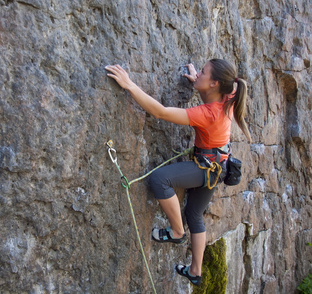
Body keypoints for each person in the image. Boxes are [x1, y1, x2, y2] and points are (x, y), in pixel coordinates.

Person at [105, 59, 251, 286]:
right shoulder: (229, 97)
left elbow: (161, 112)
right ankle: (195, 271)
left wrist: (130, 85)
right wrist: (199, 83)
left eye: (203, 72)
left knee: (159, 179)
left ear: (214, 83)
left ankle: (176, 232)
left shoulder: (208, 113)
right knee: (194, 214)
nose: (198, 73)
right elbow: (210, 99)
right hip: (218, 168)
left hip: (206, 168)